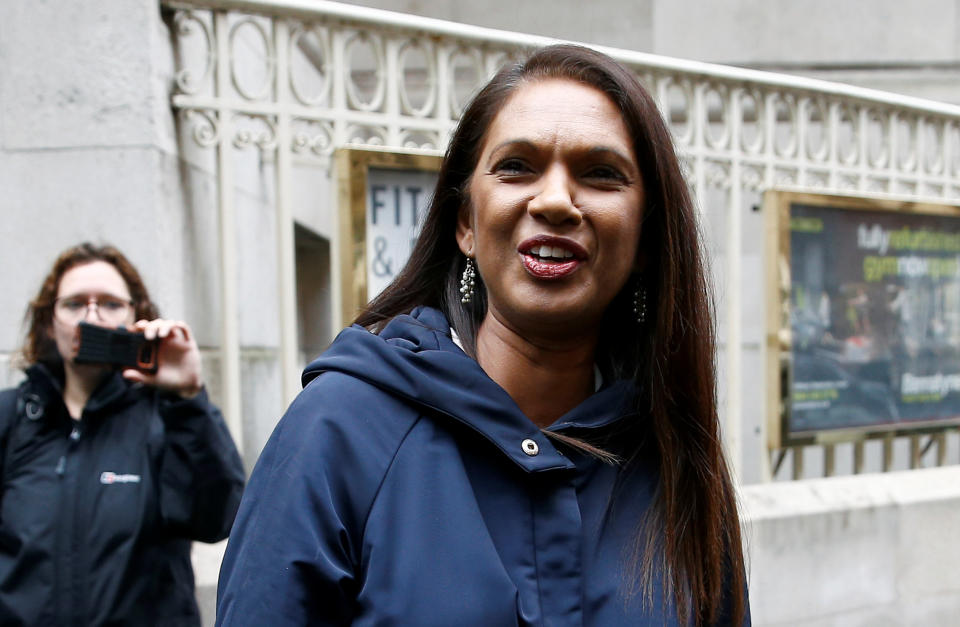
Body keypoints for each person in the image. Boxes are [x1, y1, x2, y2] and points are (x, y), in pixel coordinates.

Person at [217, 44, 749, 626]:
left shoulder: (677, 461)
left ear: (646, 240)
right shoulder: (340, 430)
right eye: (516, 166)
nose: (554, 201)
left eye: (600, 173)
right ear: (466, 224)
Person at [0, 243, 245, 626]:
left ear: (137, 317)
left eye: (111, 304)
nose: (92, 316)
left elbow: (218, 518)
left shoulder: (168, 417)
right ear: (50, 322)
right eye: (75, 303)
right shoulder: (12, 417)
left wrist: (187, 396)